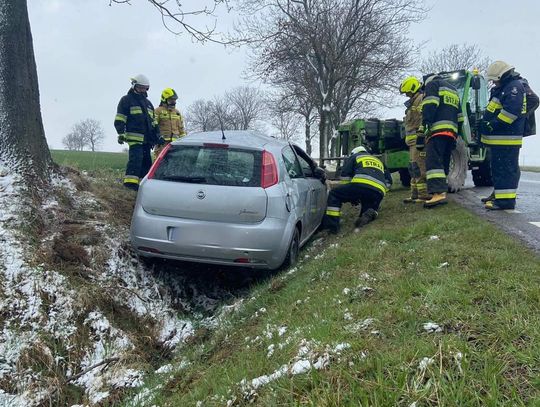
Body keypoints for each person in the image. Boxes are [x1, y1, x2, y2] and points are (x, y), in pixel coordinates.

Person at [480, 61, 528, 210]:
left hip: (507, 139)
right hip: (500, 140)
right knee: (499, 169)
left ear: (503, 75)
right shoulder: (503, 88)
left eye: (495, 79)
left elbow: (510, 114)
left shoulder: (514, 88)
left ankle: (505, 202)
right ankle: (499, 197)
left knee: (505, 170)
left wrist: (492, 124)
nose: (494, 82)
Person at [322, 145, 392, 234]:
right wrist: (382, 192)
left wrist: (351, 196)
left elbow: (345, 176)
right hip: (379, 191)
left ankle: (332, 228)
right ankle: (370, 212)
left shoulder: (354, 157)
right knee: (368, 209)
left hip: (361, 186)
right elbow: (389, 180)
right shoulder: (378, 160)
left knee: (334, 194)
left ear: (354, 152)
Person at [114, 74, 163, 191]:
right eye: (140, 87)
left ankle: (143, 184)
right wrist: (121, 133)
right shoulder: (126, 100)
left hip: (147, 140)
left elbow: (154, 122)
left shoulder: (149, 104)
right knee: (136, 159)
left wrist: (158, 135)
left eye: (145, 88)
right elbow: (120, 118)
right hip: (134, 138)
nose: (142, 90)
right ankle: (130, 184)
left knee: (147, 162)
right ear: (134, 86)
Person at [418, 73, 460, 208]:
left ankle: (437, 194)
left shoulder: (432, 85)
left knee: (433, 161)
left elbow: (430, 104)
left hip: (437, 130)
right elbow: (460, 115)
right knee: (444, 161)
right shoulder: (453, 90)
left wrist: (425, 125)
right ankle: (442, 190)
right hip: (451, 132)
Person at [399, 76, 429, 203]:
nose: (406, 95)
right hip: (412, 142)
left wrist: (422, 136)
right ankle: (414, 195)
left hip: (419, 140)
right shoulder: (413, 102)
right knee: (413, 167)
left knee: (420, 168)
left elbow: (424, 118)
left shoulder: (421, 100)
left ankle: (423, 195)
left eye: (408, 92)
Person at [154, 88, 186, 158]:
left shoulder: (177, 112)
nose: (174, 102)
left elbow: (181, 129)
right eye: (171, 100)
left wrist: (183, 141)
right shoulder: (158, 111)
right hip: (162, 144)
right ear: (164, 99)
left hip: (175, 144)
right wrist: (157, 138)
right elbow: (153, 127)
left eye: (174, 100)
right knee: (160, 163)